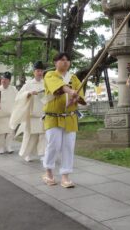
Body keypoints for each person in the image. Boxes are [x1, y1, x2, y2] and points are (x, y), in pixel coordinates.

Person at [41, 52, 85, 188]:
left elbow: (80, 94)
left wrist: (76, 97)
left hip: (70, 117)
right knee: (54, 144)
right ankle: (48, 172)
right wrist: (70, 91)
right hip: (53, 116)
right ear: (55, 63)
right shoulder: (50, 75)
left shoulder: (74, 78)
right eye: (61, 60)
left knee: (68, 146)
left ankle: (65, 176)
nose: (65, 62)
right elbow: (59, 87)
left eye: (67, 60)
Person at [10, 61, 46, 162]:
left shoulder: (46, 83)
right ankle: (27, 154)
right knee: (30, 136)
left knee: (43, 135)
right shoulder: (28, 84)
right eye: (38, 71)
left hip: (43, 114)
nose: (40, 73)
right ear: (34, 72)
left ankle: (42, 154)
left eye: (41, 71)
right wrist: (29, 93)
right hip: (32, 114)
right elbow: (19, 97)